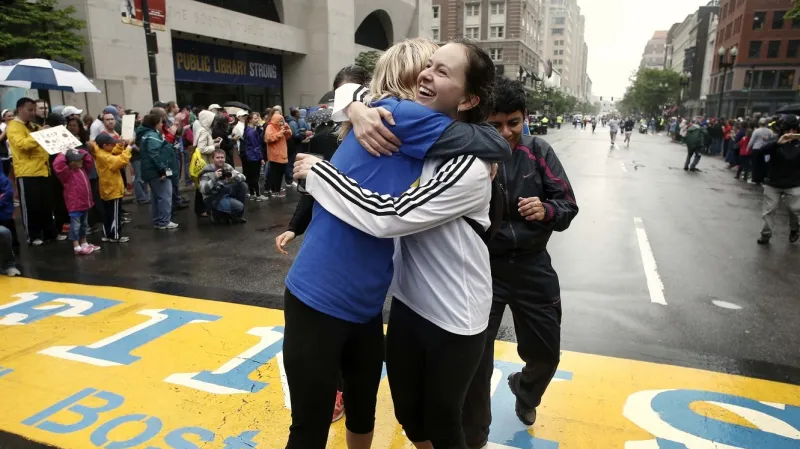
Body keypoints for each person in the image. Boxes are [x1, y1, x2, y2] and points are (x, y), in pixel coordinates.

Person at [282, 38, 509, 449]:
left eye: (442, 71)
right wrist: (354, 103)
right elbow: (349, 91)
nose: (429, 75)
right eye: (429, 66)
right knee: (403, 416)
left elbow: (389, 216)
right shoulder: (400, 119)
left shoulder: (418, 129)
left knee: (444, 423)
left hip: (446, 313)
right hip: (386, 300)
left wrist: (320, 170)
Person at [452, 76, 577, 447]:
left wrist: (547, 209)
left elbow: (568, 205)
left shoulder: (539, 152)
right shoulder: (468, 155)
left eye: (514, 122)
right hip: (482, 267)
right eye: (495, 124)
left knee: (546, 353)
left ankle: (526, 391)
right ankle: (474, 435)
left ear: (525, 119)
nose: (506, 132)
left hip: (533, 266)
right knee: (476, 357)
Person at [7, 97, 56, 245]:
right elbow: (22, 144)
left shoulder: (34, 126)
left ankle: (49, 232)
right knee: (31, 206)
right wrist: (41, 135)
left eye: (34, 110)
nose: (33, 113)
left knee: (46, 205)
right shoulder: (14, 126)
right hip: (27, 173)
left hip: (43, 170)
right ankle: (33, 235)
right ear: (20, 109)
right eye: (30, 110)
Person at [755, 117, 800, 245]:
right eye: (788, 129)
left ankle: (795, 229)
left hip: (794, 183)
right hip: (773, 182)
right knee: (769, 210)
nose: (791, 132)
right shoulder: (776, 141)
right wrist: (778, 143)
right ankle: (765, 235)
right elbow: (760, 152)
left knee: (794, 210)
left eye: (794, 129)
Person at [52, 149, 101, 255]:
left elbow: (88, 159)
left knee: (84, 225)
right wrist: (62, 154)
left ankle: (84, 243)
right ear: (70, 162)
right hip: (75, 204)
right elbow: (57, 165)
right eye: (77, 160)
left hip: (84, 203)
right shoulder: (67, 173)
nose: (81, 161)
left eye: (80, 159)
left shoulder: (83, 170)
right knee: (75, 226)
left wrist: (78, 150)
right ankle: (76, 246)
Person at [137, 112, 179, 230]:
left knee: (156, 196)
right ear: (155, 124)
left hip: (151, 171)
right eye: (161, 122)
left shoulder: (148, 135)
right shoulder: (152, 136)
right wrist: (163, 171)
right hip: (157, 171)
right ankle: (164, 221)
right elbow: (156, 155)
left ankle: (159, 220)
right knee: (165, 195)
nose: (162, 124)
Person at [93, 133, 132, 242]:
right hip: (113, 189)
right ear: (105, 145)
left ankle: (108, 234)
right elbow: (119, 161)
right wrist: (128, 149)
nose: (113, 146)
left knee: (108, 214)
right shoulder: (105, 156)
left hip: (106, 189)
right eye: (111, 144)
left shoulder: (100, 152)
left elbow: (114, 152)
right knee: (115, 214)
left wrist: (120, 145)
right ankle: (115, 236)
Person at [198, 148, 248, 224]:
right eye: (217, 158)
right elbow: (202, 190)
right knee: (239, 206)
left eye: (222, 157)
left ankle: (237, 216)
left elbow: (243, 178)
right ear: (212, 159)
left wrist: (233, 176)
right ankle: (215, 214)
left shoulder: (227, 167)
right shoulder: (207, 171)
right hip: (212, 197)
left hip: (224, 192)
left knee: (242, 185)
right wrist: (214, 178)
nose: (220, 160)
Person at [192, 110, 221, 215]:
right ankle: (201, 209)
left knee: (202, 185)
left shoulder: (204, 130)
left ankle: (203, 208)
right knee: (202, 186)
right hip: (204, 161)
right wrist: (215, 146)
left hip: (205, 160)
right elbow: (202, 148)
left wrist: (213, 141)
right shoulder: (204, 131)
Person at [265, 113, 292, 198]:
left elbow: (288, 137)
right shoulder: (270, 127)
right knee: (275, 174)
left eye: (282, 120)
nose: (281, 122)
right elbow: (268, 138)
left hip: (282, 154)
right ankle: (275, 191)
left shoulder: (281, 127)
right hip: (275, 155)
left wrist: (287, 130)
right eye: (279, 120)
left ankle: (277, 189)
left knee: (280, 174)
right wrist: (280, 133)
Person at [242, 113, 268, 201]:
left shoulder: (248, 130)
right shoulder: (252, 132)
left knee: (250, 176)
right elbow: (256, 146)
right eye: (256, 118)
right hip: (254, 156)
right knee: (255, 177)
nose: (258, 120)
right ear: (250, 120)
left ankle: (252, 193)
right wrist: (261, 158)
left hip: (249, 156)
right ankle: (258, 195)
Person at [0, 167, 19, 254]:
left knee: (10, 232)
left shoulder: (3, 179)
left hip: (5, 214)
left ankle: (14, 248)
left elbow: (8, 193)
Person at [749, 118, 774, 184]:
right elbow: (772, 139)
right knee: (762, 165)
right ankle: (760, 179)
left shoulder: (756, 131)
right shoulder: (769, 131)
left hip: (756, 148)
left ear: (759, 123)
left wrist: (748, 148)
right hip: (765, 149)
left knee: (755, 164)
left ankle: (754, 179)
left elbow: (752, 140)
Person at [0, 109, 14, 176]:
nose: (11, 117)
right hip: (7, 155)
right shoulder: (2, 127)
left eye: (12, 116)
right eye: (9, 116)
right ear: (3, 118)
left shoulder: (14, 125)